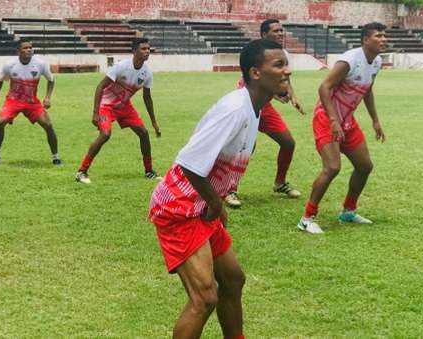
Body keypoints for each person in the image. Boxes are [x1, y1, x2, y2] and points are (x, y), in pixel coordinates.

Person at [148, 39, 291, 339]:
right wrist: (216, 203)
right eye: (278, 65)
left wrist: (215, 203)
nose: (286, 71)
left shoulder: (255, 109)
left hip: (202, 206)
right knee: (204, 299)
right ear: (255, 73)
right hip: (180, 207)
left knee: (233, 280)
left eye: (285, 63)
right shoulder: (235, 109)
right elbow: (189, 162)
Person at [297, 22, 387, 234]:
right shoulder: (349, 60)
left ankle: (348, 211)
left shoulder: (377, 62)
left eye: (385, 36)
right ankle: (307, 218)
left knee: (365, 166)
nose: (384, 40)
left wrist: (375, 119)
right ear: (366, 40)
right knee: (332, 168)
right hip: (327, 119)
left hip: (347, 120)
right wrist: (333, 120)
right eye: (379, 36)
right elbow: (324, 87)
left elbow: (367, 90)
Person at [224, 19, 304, 208]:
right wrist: (277, 94)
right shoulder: (255, 53)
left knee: (288, 143)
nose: (280, 34)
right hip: (249, 104)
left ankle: (280, 183)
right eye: (276, 31)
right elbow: (252, 82)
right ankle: (229, 189)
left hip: (264, 107)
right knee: (245, 148)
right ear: (263, 34)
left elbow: (284, 78)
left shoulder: (282, 54)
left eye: (281, 30)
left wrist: (293, 96)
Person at [75, 37, 161, 183]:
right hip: (106, 105)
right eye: (143, 49)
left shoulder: (147, 73)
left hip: (124, 106)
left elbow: (147, 98)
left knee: (144, 133)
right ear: (134, 51)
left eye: (148, 49)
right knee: (105, 134)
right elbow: (100, 86)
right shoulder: (121, 66)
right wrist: (95, 112)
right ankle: (81, 172)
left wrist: (154, 122)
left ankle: (149, 171)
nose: (147, 52)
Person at [0, 38, 61, 167]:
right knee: (0, 122)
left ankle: (56, 157)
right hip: (13, 101)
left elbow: (51, 79)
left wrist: (47, 97)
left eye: (30, 47)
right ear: (18, 51)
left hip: (32, 102)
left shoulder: (40, 64)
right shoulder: (9, 65)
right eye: (25, 48)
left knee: (48, 125)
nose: (29, 50)